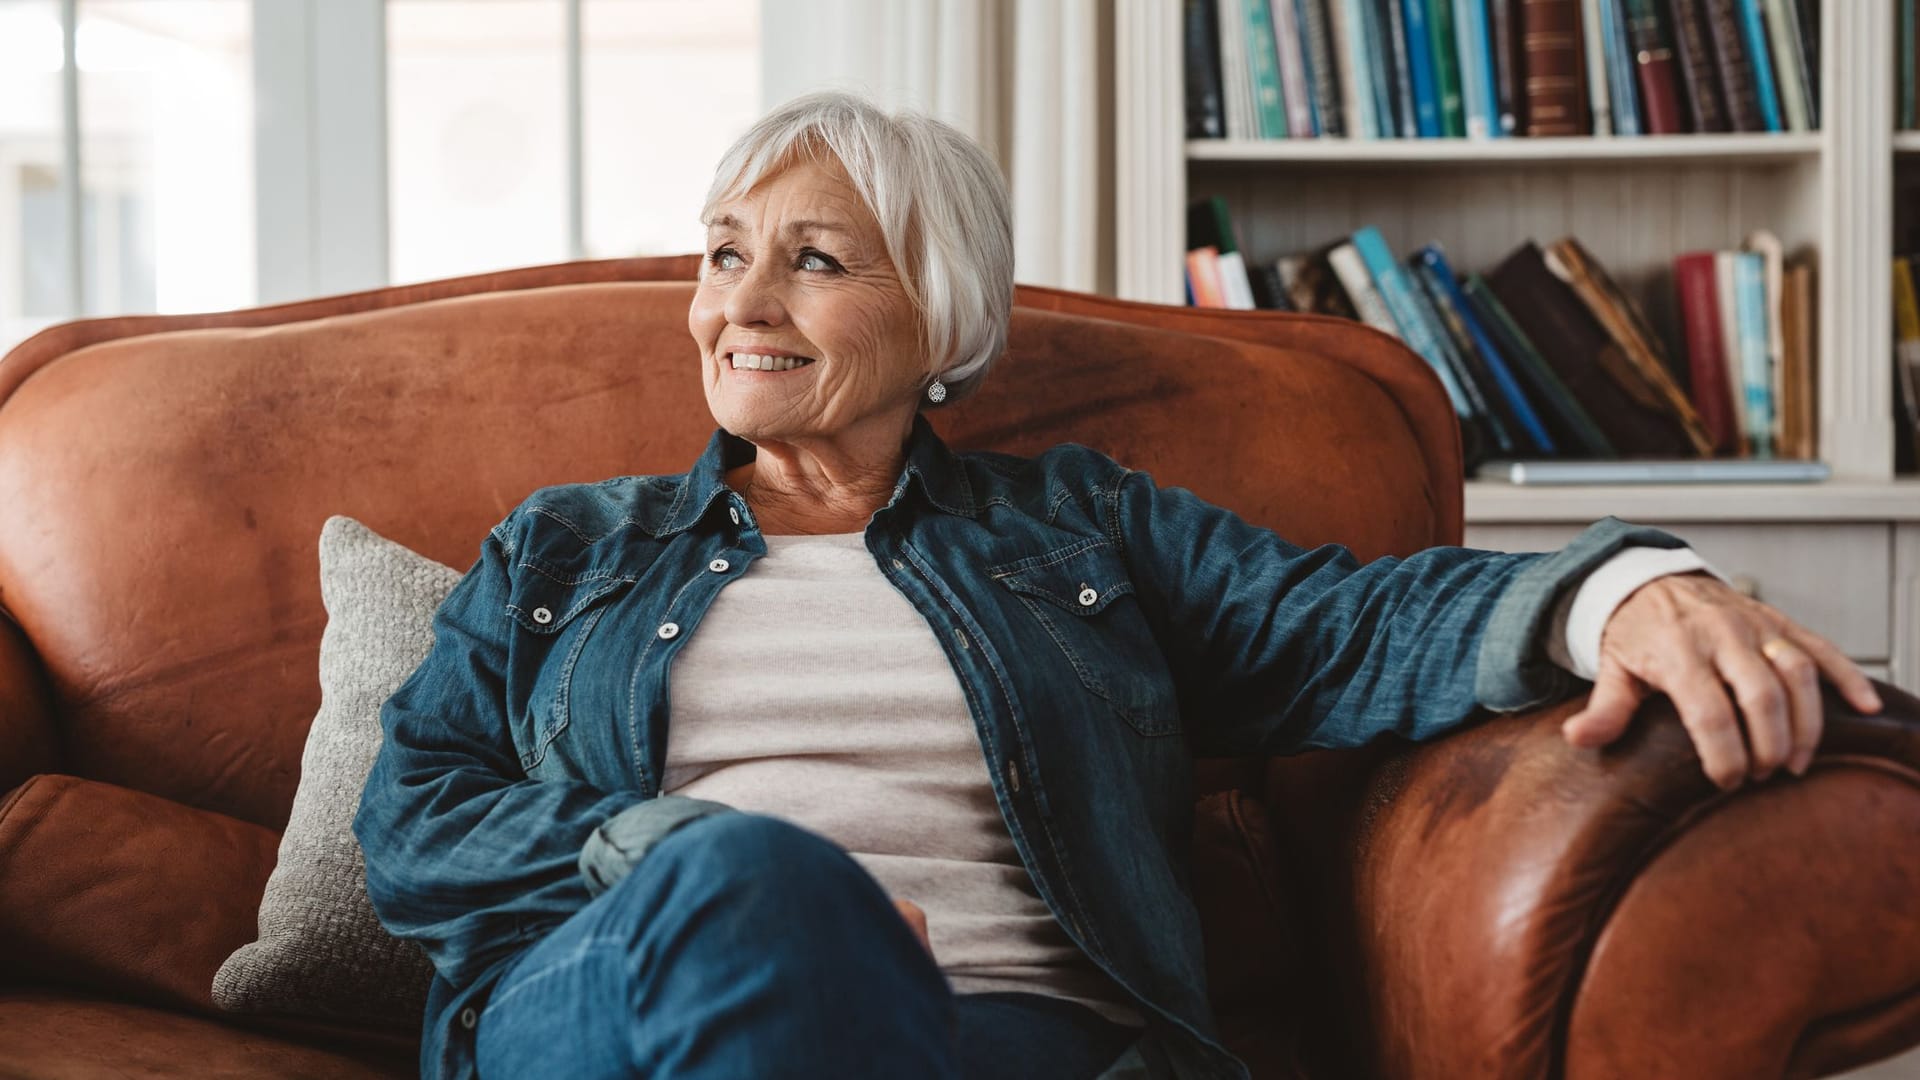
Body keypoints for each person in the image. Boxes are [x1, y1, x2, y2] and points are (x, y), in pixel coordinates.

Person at [352, 92, 1885, 1080]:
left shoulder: (1078, 535)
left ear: (938, 309)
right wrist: (679, 848)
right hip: (613, 1014)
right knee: (757, 888)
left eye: (813, 260)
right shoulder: (571, 549)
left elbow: (1345, 621)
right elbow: (412, 816)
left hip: (1015, 1037)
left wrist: (1626, 591)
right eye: (722, 253)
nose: (737, 304)